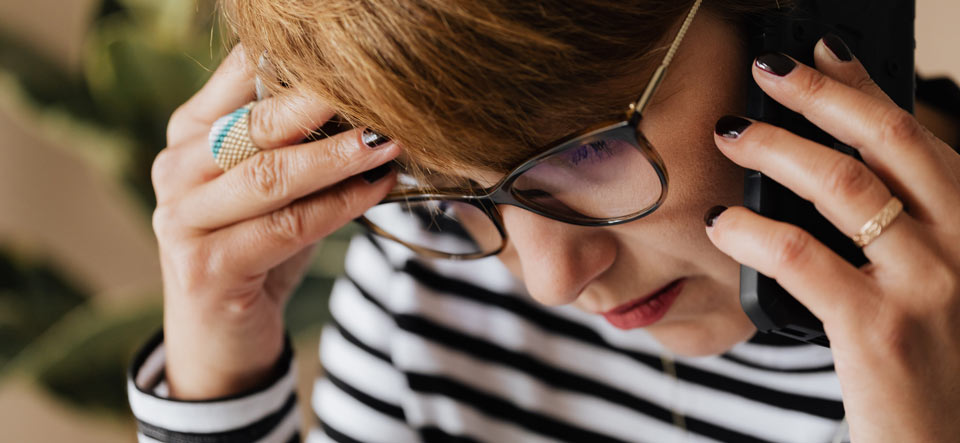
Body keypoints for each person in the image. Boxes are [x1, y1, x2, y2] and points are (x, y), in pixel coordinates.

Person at [128, 0, 960, 442]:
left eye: (590, 150)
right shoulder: (429, 274)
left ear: (812, 16)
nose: (552, 281)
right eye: (451, 186)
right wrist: (217, 375)